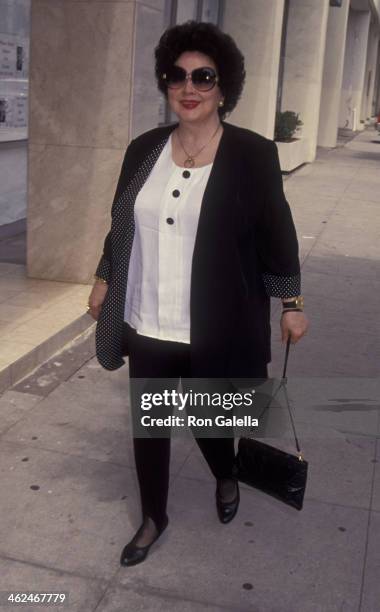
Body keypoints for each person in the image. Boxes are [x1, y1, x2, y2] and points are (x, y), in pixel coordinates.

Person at [87, 20, 309, 567]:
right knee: (152, 424)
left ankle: (226, 474)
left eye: (203, 77)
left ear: (223, 87)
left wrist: (292, 303)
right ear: (166, 83)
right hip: (147, 318)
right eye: (177, 76)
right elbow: (123, 224)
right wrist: (104, 275)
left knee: (211, 418)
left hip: (217, 318)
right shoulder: (144, 149)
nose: (189, 88)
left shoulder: (253, 154)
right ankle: (153, 516)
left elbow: (276, 233)